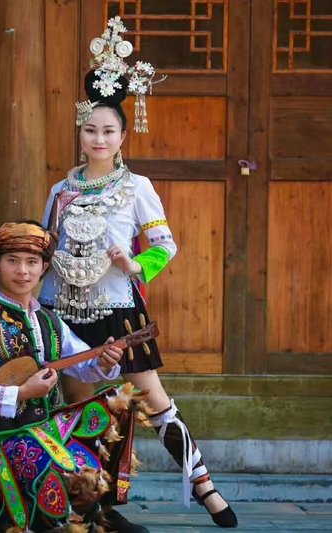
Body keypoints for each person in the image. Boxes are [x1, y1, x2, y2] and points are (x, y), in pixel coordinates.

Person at [38, 17, 237, 528]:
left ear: (123, 135)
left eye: (108, 130)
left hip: (119, 314)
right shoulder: (60, 191)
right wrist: (38, 308)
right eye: (90, 129)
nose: (98, 138)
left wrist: (133, 262)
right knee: (86, 415)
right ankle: (96, 508)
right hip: (67, 315)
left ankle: (205, 486)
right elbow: (44, 251)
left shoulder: (138, 186)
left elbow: (166, 245)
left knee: (155, 404)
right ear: (79, 133)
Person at [0, 221, 150, 533]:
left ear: (43, 267)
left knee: (116, 412)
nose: (22, 271)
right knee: (60, 469)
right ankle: (64, 518)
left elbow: (85, 366)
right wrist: (21, 393)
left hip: (49, 426)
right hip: (1, 435)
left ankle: (99, 509)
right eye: (12, 261)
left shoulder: (49, 320)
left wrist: (107, 362)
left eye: (31, 263)